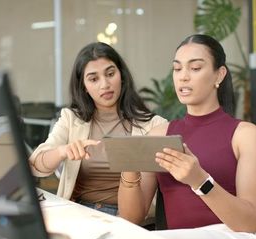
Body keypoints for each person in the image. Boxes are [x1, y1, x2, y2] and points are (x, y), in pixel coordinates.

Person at [118, 34, 256, 239]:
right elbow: (130, 218)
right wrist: (129, 169)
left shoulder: (246, 134)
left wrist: (200, 181)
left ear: (219, 74)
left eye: (195, 68)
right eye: (177, 68)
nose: (183, 77)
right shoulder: (159, 135)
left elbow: (248, 223)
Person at [29, 42, 167, 215]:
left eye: (110, 74)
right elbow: (35, 166)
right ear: (84, 87)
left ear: (122, 76)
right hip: (77, 212)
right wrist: (62, 151)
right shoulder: (71, 119)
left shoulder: (153, 126)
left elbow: (137, 213)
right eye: (94, 79)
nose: (105, 84)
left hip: (124, 220)